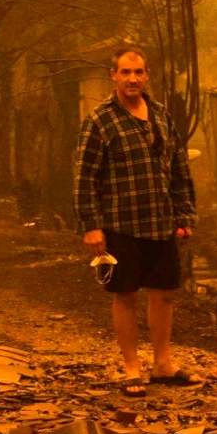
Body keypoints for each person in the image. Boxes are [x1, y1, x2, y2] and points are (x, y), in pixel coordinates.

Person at [73, 45, 197, 393]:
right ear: (113, 75)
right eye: (125, 72)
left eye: (138, 72)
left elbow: (178, 169)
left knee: (164, 294)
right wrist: (91, 226)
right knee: (124, 294)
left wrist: (184, 213)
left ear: (146, 75)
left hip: (160, 222)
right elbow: (85, 177)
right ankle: (131, 368)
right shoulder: (100, 120)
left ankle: (162, 363)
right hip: (120, 224)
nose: (132, 79)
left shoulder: (160, 115)